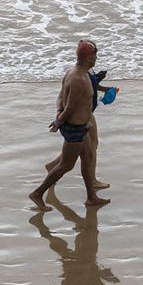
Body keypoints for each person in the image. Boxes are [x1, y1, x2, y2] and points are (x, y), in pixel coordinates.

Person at [30, 40, 111, 209]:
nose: (96, 58)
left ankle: (91, 197)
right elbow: (70, 108)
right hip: (75, 129)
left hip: (83, 126)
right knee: (66, 165)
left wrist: (58, 111)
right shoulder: (79, 79)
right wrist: (58, 120)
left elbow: (60, 96)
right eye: (95, 55)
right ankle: (37, 193)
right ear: (89, 58)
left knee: (88, 159)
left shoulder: (74, 73)